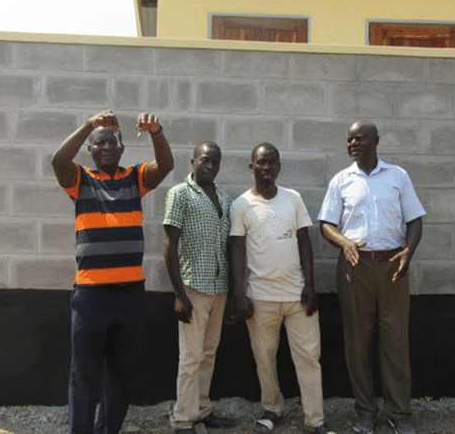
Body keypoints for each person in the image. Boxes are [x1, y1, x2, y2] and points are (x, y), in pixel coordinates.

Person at [52, 110, 173, 434]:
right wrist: (89, 125)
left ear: (121, 149)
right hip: (91, 296)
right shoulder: (80, 180)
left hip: (130, 296)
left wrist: (156, 132)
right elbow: (58, 161)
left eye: (112, 141)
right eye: (99, 142)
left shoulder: (135, 177)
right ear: (90, 150)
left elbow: (165, 166)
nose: (106, 146)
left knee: (121, 376)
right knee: (83, 376)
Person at [318, 121, 425, 434]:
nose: (353, 143)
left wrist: (408, 251)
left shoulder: (397, 176)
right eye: (349, 139)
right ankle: (366, 412)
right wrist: (345, 242)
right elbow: (326, 224)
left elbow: (415, 220)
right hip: (355, 268)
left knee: (395, 342)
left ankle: (399, 414)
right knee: (357, 342)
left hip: (393, 267)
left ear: (376, 141)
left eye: (359, 138)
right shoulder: (342, 180)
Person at [229, 143, 335, 434]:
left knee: (309, 357)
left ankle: (315, 419)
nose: (267, 168)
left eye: (272, 162)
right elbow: (236, 251)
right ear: (252, 167)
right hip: (260, 297)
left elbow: (304, 242)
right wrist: (239, 295)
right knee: (265, 357)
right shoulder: (241, 205)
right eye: (261, 163)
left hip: (297, 296)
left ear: (279, 167)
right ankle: (272, 409)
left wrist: (310, 287)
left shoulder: (293, 199)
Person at [163, 142, 237, 434]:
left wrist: (231, 293)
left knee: (209, 353)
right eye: (205, 161)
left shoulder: (224, 198)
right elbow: (170, 245)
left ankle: (202, 410)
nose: (210, 167)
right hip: (193, 287)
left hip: (219, 288)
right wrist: (179, 294)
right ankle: (182, 419)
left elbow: (229, 248)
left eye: (215, 163)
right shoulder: (179, 194)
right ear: (193, 161)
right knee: (191, 357)